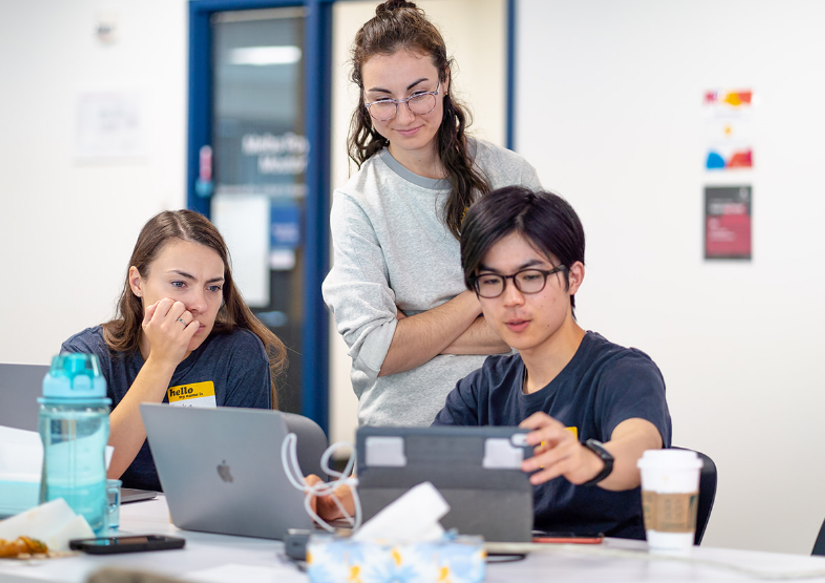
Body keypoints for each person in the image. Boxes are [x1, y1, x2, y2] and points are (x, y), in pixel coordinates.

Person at [313, 187, 671, 539]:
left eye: (531, 278)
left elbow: (640, 447)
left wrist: (591, 460)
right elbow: (419, 474)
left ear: (573, 277)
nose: (511, 299)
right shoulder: (483, 388)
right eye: (491, 281)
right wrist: (334, 502)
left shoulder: (622, 372)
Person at [322, 0, 542, 428]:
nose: (404, 115)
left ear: (444, 80)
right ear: (365, 101)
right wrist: (482, 296)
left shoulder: (510, 176)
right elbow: (378, 351)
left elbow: (545, 317)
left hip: (509, 426)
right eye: (382, 100)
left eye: (419, 92)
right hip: (403, 435)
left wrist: (416, 332)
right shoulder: (357, 203)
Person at [61, 210, 287, 492]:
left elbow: (248, 482)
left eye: (213, 287)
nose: (200, 304)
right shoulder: (86, 356)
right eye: (180, 284)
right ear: (137, 283)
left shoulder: (238, 353)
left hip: (202, 526)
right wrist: (161, 361)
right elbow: (87, 474)